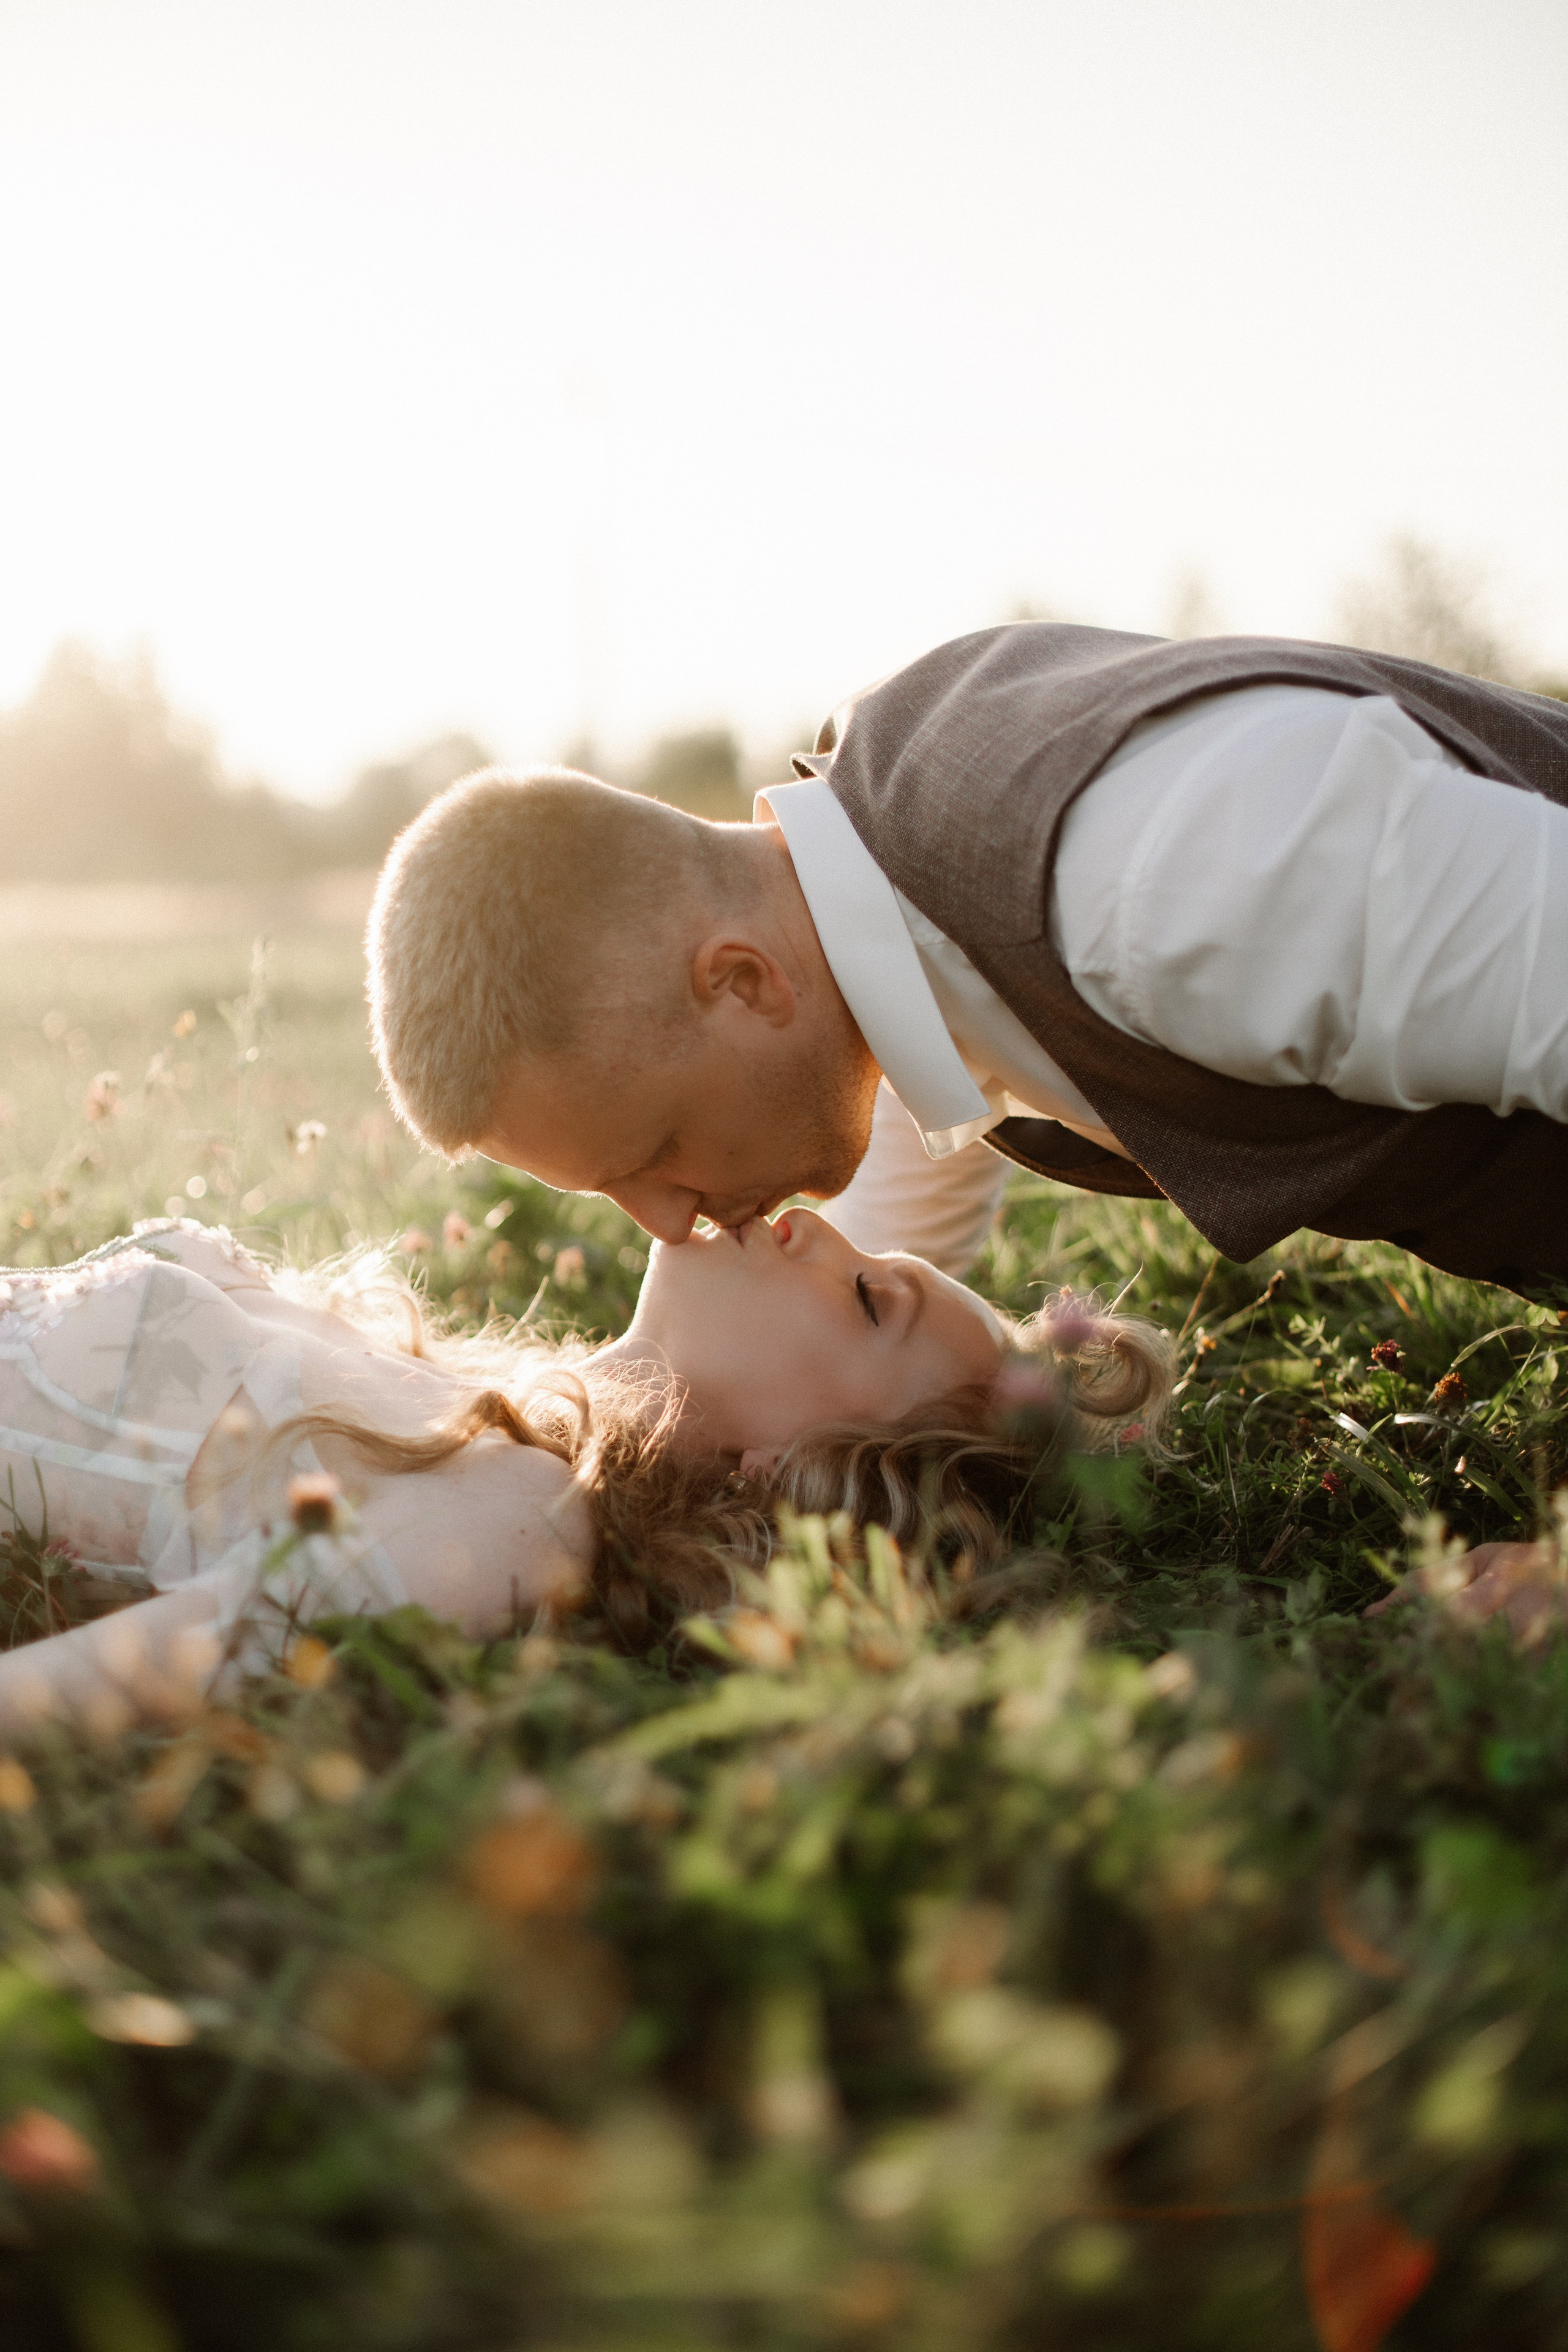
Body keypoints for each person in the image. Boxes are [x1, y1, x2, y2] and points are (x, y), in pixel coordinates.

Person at [366, 622, 1568, 1295]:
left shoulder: (1159, 879)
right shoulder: (877, 936)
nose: (667, 1226)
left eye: (650, 1157)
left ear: (742, 983)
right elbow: (874, 1276)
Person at [0, 1216, 1170, 1743]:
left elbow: (121, 1677)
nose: (814, 1228)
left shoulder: (519, 1522)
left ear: (795, 1466)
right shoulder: (450, 1398)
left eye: (869, 1297)